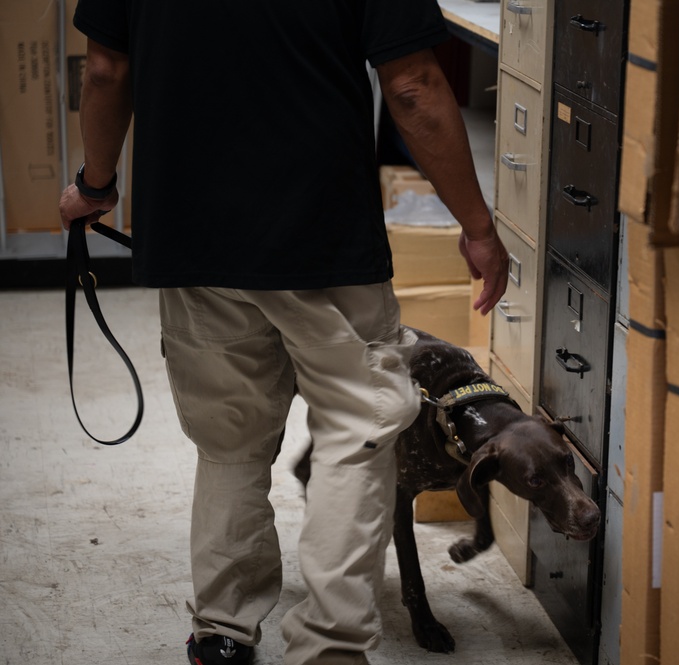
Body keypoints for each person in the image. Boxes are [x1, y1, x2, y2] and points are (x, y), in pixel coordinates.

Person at [58, 2, 509, 664]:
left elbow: (104, 68)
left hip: (195, 238)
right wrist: (476, 226)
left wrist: (94, 185)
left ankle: (222, 631)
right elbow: (412, 85)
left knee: (229, 440)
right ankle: (329, 644)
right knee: (355, 430)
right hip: (326, 240)